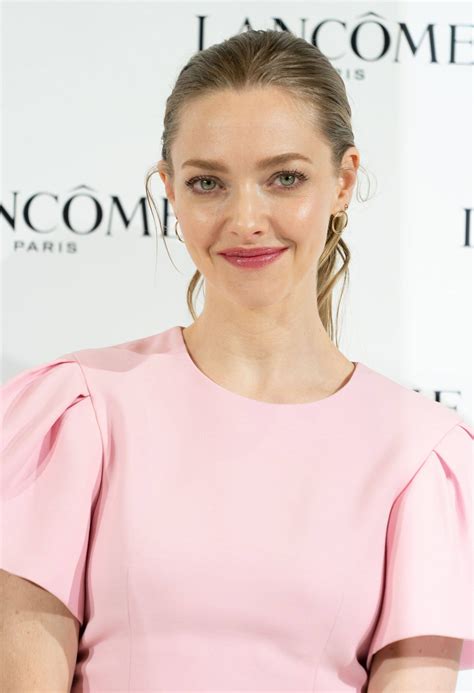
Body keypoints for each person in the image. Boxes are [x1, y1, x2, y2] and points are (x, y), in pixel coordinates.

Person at [1, 29, 472, 693]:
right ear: (169, 189)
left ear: (343, 181)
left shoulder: (420, 454)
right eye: (208, 182)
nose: (246, 218)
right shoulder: (79, 410)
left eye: (285, 178)